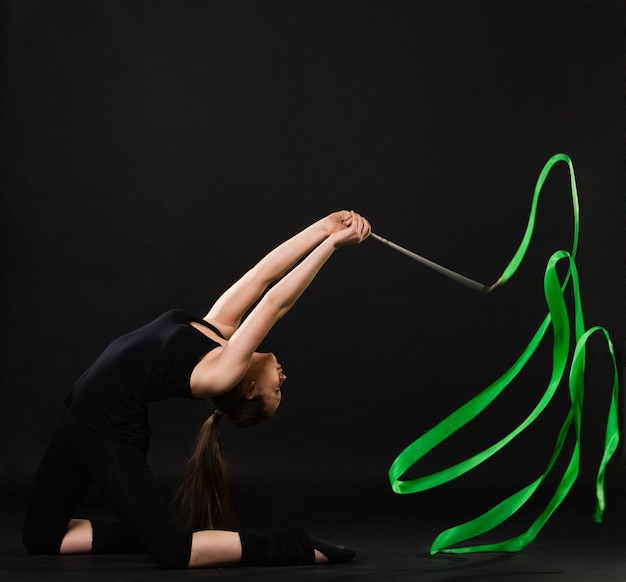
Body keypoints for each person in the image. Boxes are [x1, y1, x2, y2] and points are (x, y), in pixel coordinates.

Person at [22, 210, 371, 569]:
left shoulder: (220, 373)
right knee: (40, 538)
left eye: (277, 391)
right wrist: (323, 229)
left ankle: (294, 545)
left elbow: (275, 305)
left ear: (248, 390)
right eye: (279, 391)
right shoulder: (218, 333)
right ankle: (151, 529)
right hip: (77, 414)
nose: (284, 379)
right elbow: (262, 278)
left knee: (174, 553)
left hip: (106, 433)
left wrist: (331, 246)